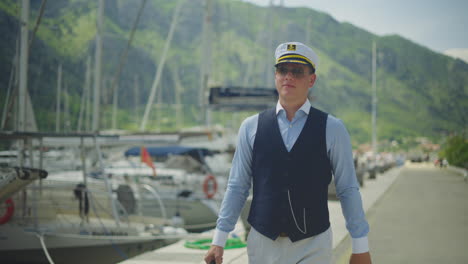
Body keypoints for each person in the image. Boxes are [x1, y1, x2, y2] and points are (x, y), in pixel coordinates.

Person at [204, 42, 372, 264]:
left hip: (313, 244)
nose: (288, 77)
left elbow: (348, 188)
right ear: (275, 76)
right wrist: (219, 240)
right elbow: (237, 186)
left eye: (297, 71)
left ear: (311, 80)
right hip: (262, 244)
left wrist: (360, 247)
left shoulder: (333, 128)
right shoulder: (250, 127)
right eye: (283, 70)